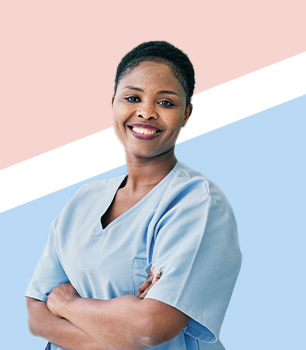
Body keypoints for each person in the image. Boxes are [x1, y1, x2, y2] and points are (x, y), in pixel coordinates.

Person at [25, 41, 242, 350]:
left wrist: (66, 306)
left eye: (165, 103)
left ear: (186, 113)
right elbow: (36, 315)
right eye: (132, 97)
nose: (146, 112)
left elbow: (150, 327)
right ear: (113, 102)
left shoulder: (197, 203)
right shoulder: (83, 201)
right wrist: (118, 331)